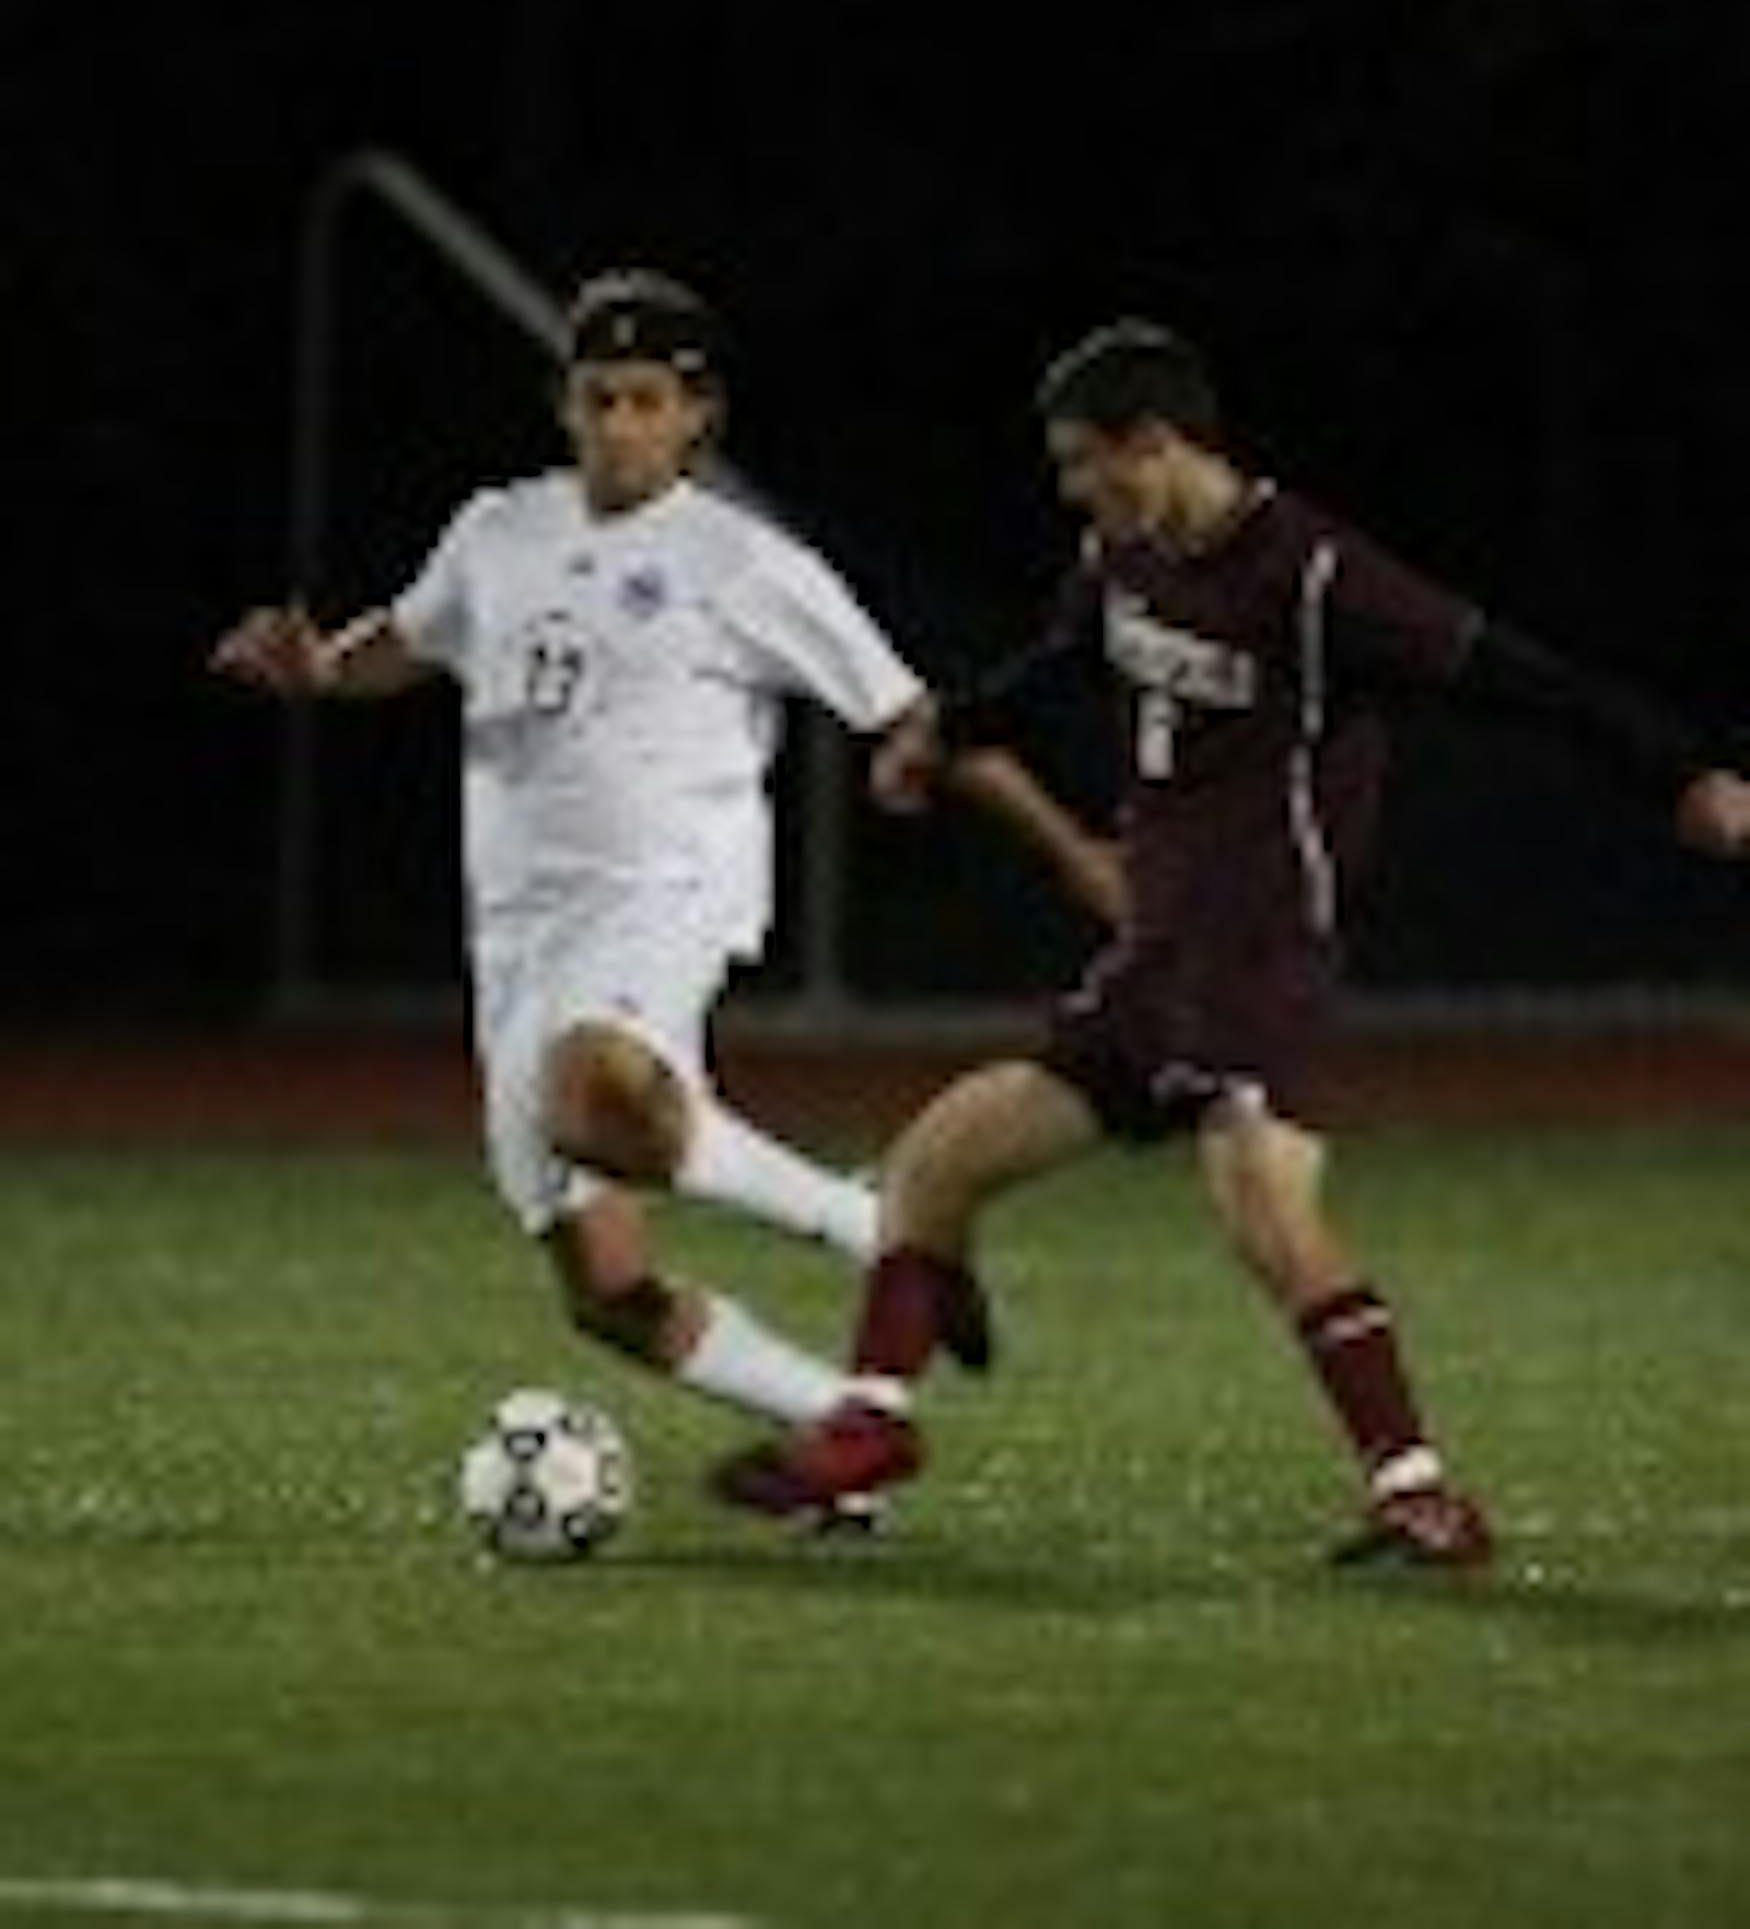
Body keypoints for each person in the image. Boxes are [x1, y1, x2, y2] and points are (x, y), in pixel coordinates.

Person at [712, 317, 1750, 1566]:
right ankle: (869, 1433)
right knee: (935, 1161)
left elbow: (1520, 676)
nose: (1075, 490)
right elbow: (1062, 662)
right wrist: (952, 733)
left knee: (1261, 1206)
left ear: (1154, 442)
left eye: (1085, 462)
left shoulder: (1314, 577)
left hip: (1260, 953)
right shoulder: (1123, 556)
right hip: (1155, 961)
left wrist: (1677, 773)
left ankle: (1416, 1493)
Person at [214, 267, 932, 1487]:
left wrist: (906, 754)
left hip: (664, 894)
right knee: (606, 1291)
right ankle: (845, 1425)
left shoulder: (740, 561)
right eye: (598, 399)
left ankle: (877, 1227)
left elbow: (897, 699)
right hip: (517, 930)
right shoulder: (498, 530)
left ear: (697, 414)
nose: (619, 425)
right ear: (565, 403)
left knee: (593, 1091)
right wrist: (324, 668)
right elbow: (411, 637)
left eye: (646, 400)